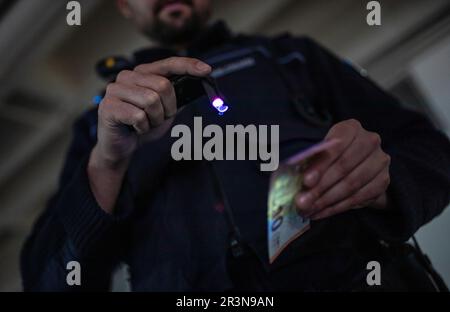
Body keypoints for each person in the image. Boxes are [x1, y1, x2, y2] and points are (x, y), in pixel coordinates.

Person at [21, 0, 450, 291]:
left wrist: (385, 177)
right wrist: (107, 161)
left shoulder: (292, 56)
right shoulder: (96, 124)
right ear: (124, 6)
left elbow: (432, 150)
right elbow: (48, 277)